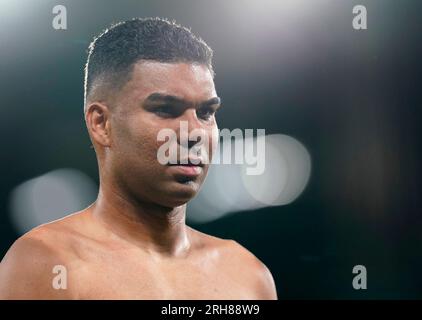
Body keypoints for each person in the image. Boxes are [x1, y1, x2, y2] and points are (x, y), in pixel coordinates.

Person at [0, 17, 277, 299]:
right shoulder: (45, 265)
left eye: (206, 113)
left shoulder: (248, 276)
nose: (193, 132)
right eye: (166, 109)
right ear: (101, 124)